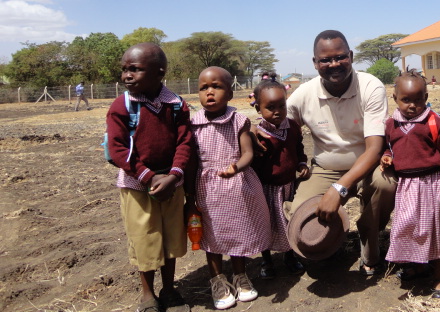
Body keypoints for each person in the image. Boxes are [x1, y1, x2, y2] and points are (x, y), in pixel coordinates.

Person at [284, 30, 397, 275]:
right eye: (325, 60)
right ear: (315, 63)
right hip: (326, 167)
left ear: (351, 56)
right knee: (300, 218)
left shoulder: (370, 86)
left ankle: (369, 238)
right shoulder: (304, 95)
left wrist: (339, 189)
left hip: (369, 165)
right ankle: (331, 240)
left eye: (340, 57)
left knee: (386, 184)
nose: (333, 64)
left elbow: (375, 149)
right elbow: (282, 129)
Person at [106, 43, 192, 312]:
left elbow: (185, 142)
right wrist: (148, 176)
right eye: (124, 70)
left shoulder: (176, 105)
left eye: (135, 69)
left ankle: (169, 290)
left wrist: (174, 175)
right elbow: (119, 149)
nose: (126, 76)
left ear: (159, 73)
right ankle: (147, 294)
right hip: (137, 186)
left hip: (171, 184)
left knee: (171, 239)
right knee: (145, 240)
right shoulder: (122, 106)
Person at [188, 66, 271, 310]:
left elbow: (248, 153)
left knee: (238, 230)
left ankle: (240, 275)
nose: (209, 93)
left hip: (237, 187)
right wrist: (189, 196)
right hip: (207, 189)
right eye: (204, 88)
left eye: (217, 87)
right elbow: (192, 161)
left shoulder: (239, 121)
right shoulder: (193, 123)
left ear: (230, 92)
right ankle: (217, 280)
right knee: (212, 236)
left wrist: (236, 167)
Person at [380, 70, 440, 297]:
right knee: (407, 226)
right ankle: (418, 265)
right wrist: (387, 156)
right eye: (406, 100)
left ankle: (439, 277)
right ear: (395, 98)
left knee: (431, 229)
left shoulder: (436, 123)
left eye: (418, 99)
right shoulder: (390, 124)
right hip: (406, 184)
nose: (412, 105)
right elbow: (390, 146)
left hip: (431, 183)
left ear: (426, 96)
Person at [251, 80, 310, 279]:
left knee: (288, 222)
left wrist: (301, 163)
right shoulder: (258, 134)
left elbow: (299, 149)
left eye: (281, 106)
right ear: (258, 108)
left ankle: (289, 256)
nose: (277, 111)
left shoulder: (292, 127)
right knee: (266, 224)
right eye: (270, 107)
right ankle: (266, 259)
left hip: (288, 186)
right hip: (266, 188)